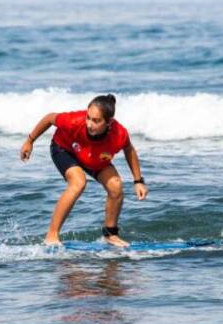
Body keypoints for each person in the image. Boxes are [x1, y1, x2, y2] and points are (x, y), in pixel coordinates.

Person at [20, 94, 148, 247]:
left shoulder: (119, 134)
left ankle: (110, 235)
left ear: (109, 122)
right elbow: (49, 118)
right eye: (88, 117)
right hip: (65, 149)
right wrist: (30, 141)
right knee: (78, 182)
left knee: (116, 186)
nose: (89, 124)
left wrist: (138, 181)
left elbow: (129, 149)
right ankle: (52, 235)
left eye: (96, 121)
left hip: (93, 157)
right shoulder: (74, 121)